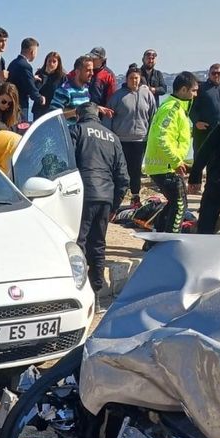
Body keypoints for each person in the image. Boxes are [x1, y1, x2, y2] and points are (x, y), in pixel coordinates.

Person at [70, 102, 129, 306]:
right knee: (98, 244)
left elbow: (65, 163)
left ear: (79, 115)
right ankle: (96, 292)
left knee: (79, 244)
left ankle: (78, 290)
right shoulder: (112, 137)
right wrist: (115, 204)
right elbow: (123, 176)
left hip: (82, 195)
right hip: (105, 196)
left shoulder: (76, 130)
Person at [144, 72, 200, 234]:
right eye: (194, 91)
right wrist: (175, 161)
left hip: (166, 165)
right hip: (165, 166)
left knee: (173, 203)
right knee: (180, 204)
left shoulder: (178, 108)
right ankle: (171, 240)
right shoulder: (172, 108)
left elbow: (175, 134)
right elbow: (162, 137)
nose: (195, 95)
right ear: (183, 90)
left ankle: (155, 238)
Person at [106, 65, 157, 207]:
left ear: (140, 79)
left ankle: (135, 198)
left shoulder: (147, 94)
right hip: (121, 139)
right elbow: (108, 117)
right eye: (131, 78)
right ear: (126, 79)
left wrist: (151, 134)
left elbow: (153, 115)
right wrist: (109, 137)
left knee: (136, 171)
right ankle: (116, 200)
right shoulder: (118, 96)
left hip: (140, 139)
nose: (134, 81)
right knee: (121, 171)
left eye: (136, 78)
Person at [187, 117, 220, 235]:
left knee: (206, 223)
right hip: (218, 179)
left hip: (217, 179)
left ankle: (201, 248)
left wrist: (194, 177)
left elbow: (204, 151)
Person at [190, 64, 220, 157]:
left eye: (219, 73)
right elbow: (192, 108)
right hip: (202, 131)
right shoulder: (200, 89)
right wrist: (196, 122)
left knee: (218, 159)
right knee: (199, 157)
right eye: (214, 73)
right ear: (209, 74)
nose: (216, 75)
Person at [6, 37, 44, 121]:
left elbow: (17, 80)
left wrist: (32, 77)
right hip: (20, 106)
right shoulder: (26, 66)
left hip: (10, 104)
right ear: (32, 52)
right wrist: (40, 98)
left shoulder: (13, 63)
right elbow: (31, 88)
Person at [51, 55, 93, 123]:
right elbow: (54, 116)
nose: (92, 73)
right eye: (88, 70)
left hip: (81, 131)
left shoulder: (86, 90)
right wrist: (77, 111)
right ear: (77, 72)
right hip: (68, 132)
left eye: (92, 70)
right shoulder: (64, 90)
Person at [33, 51, 66, 120]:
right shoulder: (40, 73)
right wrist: (46, 74)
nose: (51, 64)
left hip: (53, 110)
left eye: (54, 62)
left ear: (58, 63)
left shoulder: (62, 77)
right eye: (49, 61)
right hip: (39, 109)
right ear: (46, 62)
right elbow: (36, 90)